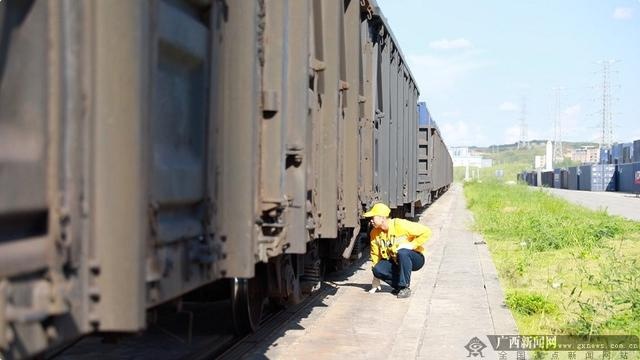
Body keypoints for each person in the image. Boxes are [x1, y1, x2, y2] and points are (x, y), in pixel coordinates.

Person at [363, 203, 431, 299]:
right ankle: (399, 286)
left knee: (402, 252)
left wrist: (411, 245)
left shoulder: (400, 224)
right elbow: (375, 254)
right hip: (396, 260)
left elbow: (426, 231)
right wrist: (376, 278)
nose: (370, 220)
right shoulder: (374, 233)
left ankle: (404, 287)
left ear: (382, 218)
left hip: (415, 258)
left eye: (373, 217)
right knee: (377, 269)